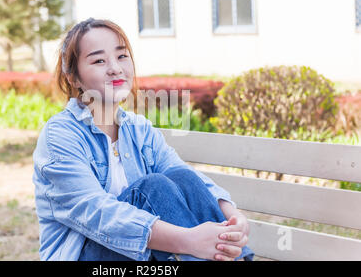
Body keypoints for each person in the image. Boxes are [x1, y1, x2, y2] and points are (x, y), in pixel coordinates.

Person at [32, 17, 255, 261]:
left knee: (181, 176)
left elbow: (181, 173)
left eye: (122, 56)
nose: (115, 68)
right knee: (152, 188)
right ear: (74, 78)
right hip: (87, 256)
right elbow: (97, 214)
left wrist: (232, 216)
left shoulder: (139, 130)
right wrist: (188, 241)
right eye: (98, 60)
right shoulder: (60, 135)